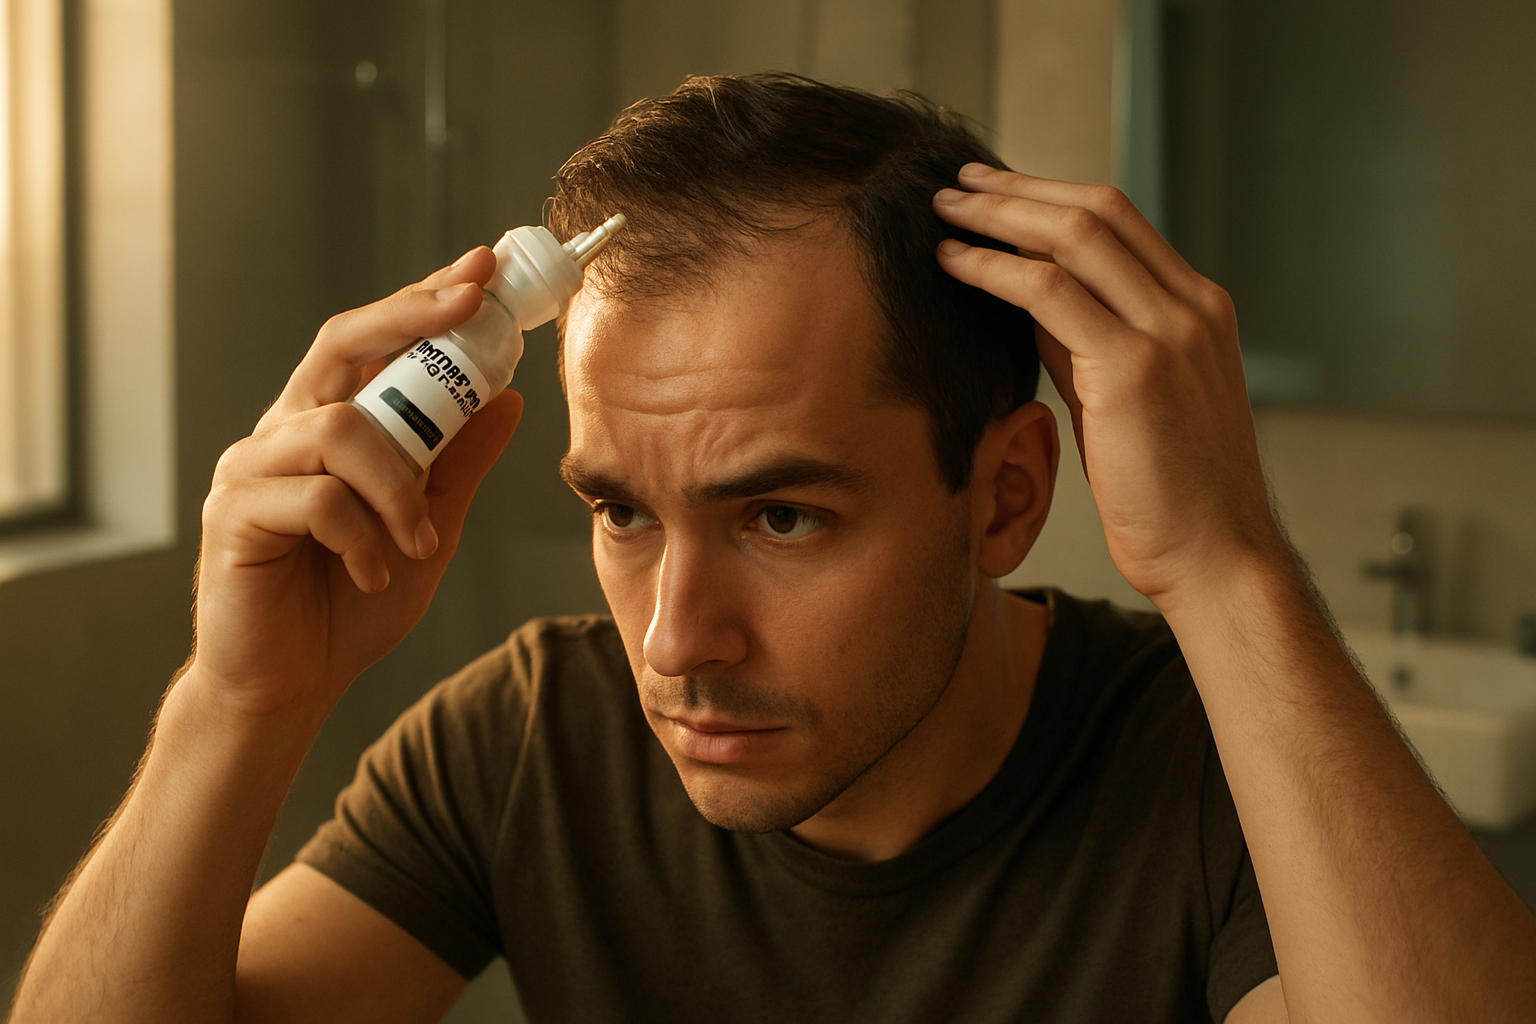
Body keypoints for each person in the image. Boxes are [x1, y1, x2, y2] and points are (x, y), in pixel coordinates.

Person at [9, 73, 1536, 1024]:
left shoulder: (1209, 777)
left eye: (781, 515)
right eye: (619, 511)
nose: (673, 642)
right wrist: (237, 699)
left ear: (1005, 497)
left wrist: (1230, 565)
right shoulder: (534, 736)